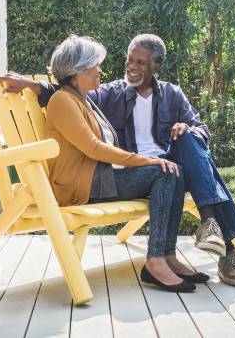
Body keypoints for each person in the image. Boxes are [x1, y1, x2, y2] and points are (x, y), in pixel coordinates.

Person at [0, 34, 235, 286]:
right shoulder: (105, 95)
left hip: (159, 166)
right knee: (173, 170)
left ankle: (181, 245)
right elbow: (68, 98)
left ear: (157, 66)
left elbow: (202, 130)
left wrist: (187, 130)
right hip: (122, 172)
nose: (130, 67)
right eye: (129, 60)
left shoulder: (172, 94)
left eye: (141, 62)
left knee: (189, 142)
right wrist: (30, 83)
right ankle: (209, 249)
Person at [43, 35, 207, 293]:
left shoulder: (82, 99)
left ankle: (166, 256)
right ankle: (156, 261)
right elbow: (93, 148)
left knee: (174, 171)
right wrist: (147, 161)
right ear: (77, 71)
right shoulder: (64, 101)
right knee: (164, 172)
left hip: (99, 179)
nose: (101, 70)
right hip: (83, 187)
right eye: (95, 66)